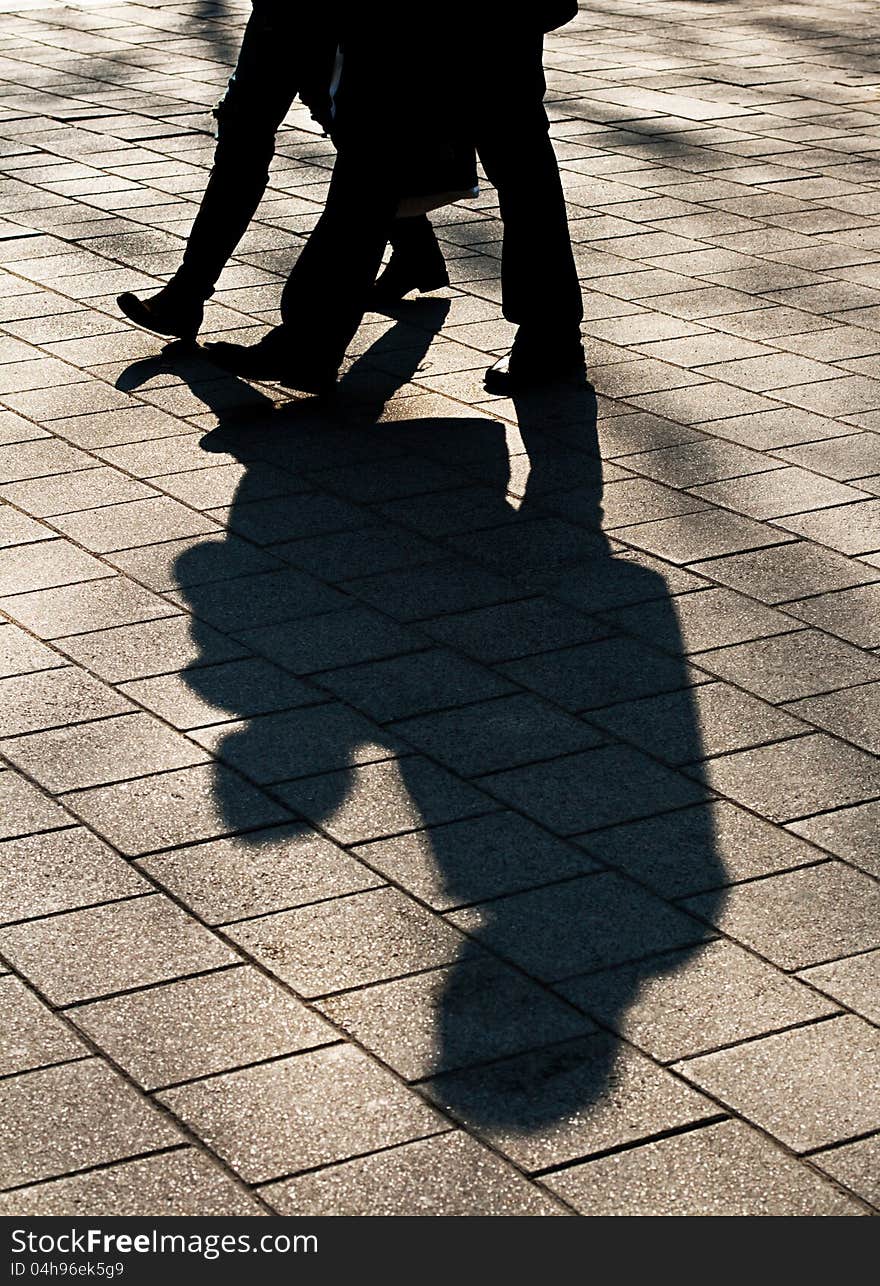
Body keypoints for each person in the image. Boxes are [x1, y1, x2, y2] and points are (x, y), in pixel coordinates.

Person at [207, 2, 584, 394]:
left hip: (482, 21)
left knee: (511, 160)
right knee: (379, 163)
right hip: (430, 26)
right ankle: (310, 341)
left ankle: (550, 331)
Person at [116, 0, 453, 345]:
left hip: (324, 14)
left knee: (328, 130)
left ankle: (193, 297)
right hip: (282, 9)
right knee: (254, 127)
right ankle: (187, 295)